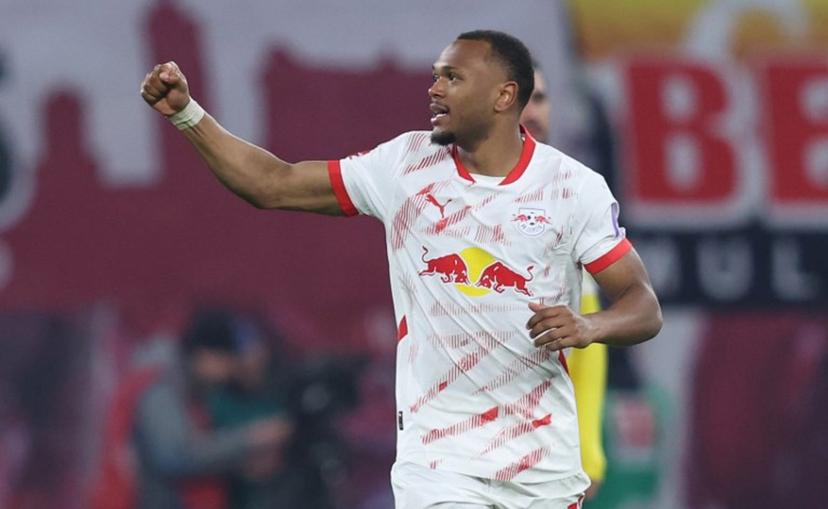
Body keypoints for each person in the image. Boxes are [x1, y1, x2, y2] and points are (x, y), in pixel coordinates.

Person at [140, 29, 662, 509]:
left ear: (504, 96)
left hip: (541, 470)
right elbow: (272, 183)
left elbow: (642, 305)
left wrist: (592, 326)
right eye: (435, 74)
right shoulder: (405, 166)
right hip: (439, 467)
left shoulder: (574, 188)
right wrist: (188, 116)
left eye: (453, 77)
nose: (434, 88)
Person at [520, 64, 608, 500]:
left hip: (547, 460)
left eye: (541, 98)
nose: (532, 111)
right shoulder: (449, 200)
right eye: (520, 98)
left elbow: (587, 340)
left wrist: (587, 451)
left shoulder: (576, 197)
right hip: (463, 457)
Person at [127, 309, 292, 509]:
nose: (226, 377)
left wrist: (238, 464)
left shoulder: (189, 394)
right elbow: (174, 457)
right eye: (226, 365)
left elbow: (198, 453)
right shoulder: (160, 388)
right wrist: (251, 438)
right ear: (207, 356)